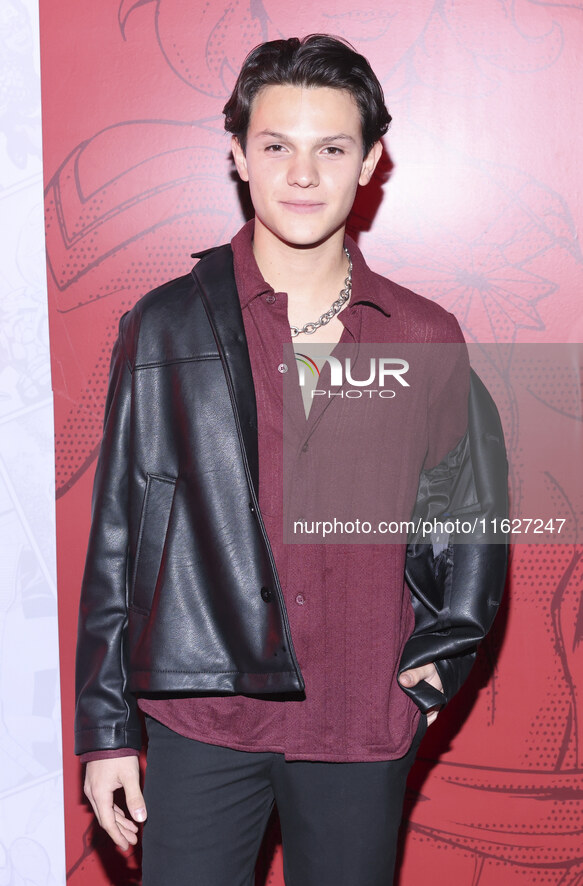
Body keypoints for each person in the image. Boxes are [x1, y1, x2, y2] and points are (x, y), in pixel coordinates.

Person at [75, 35, 507, 886]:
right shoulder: (164, 326)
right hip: (203, 721)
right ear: (238, 155)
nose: (301, 175)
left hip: (360, 723)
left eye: (331, 148)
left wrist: (430, 675)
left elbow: (471, 518)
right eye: (276, 146)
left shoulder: (421, 335)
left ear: (371, 160)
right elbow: (120, 534)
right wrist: (106, 730)